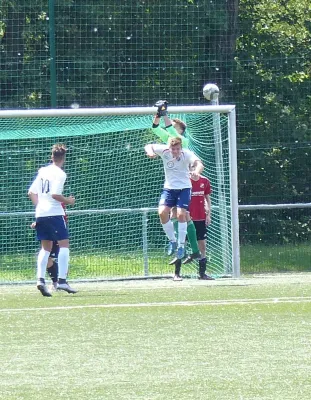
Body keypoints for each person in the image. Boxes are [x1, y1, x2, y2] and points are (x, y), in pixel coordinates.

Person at [152, 100, 201, 264]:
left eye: (173, 126)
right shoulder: (169, 142)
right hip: (171, 185)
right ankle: (181, 246)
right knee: (173, 214)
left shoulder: (183, 143)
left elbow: (169, 130)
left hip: (183, 185)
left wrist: (164, 113)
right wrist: (158, 115)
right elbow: (155, 129)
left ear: (180, 131)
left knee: (182, 215)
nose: (170, 128)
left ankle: (186, 248)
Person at [145, 135, 204, 269]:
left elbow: (199, 163)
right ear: (169, 148)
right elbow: (149, 146)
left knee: (181, 214)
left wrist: (196, 172)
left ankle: (182, 247)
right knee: (162, 213)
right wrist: (150, 152)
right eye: (173, 149)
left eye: (177, 149)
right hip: (169, 188)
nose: (175, 151)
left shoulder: (187, 154)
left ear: (181, 148)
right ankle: (173, 241)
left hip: (184, 188)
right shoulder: (164, 151)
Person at [28, 143, 77, 297]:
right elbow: (55, 195)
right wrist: (69, 200)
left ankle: (40, 280)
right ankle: (62, 280)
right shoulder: (60, 174)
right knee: (64, 245)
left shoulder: (43, 171)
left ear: (52, 156)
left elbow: (31, 192)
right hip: (55, 213)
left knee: (46, 248)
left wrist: (40, 207)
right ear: (64, 158)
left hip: (41, 213)